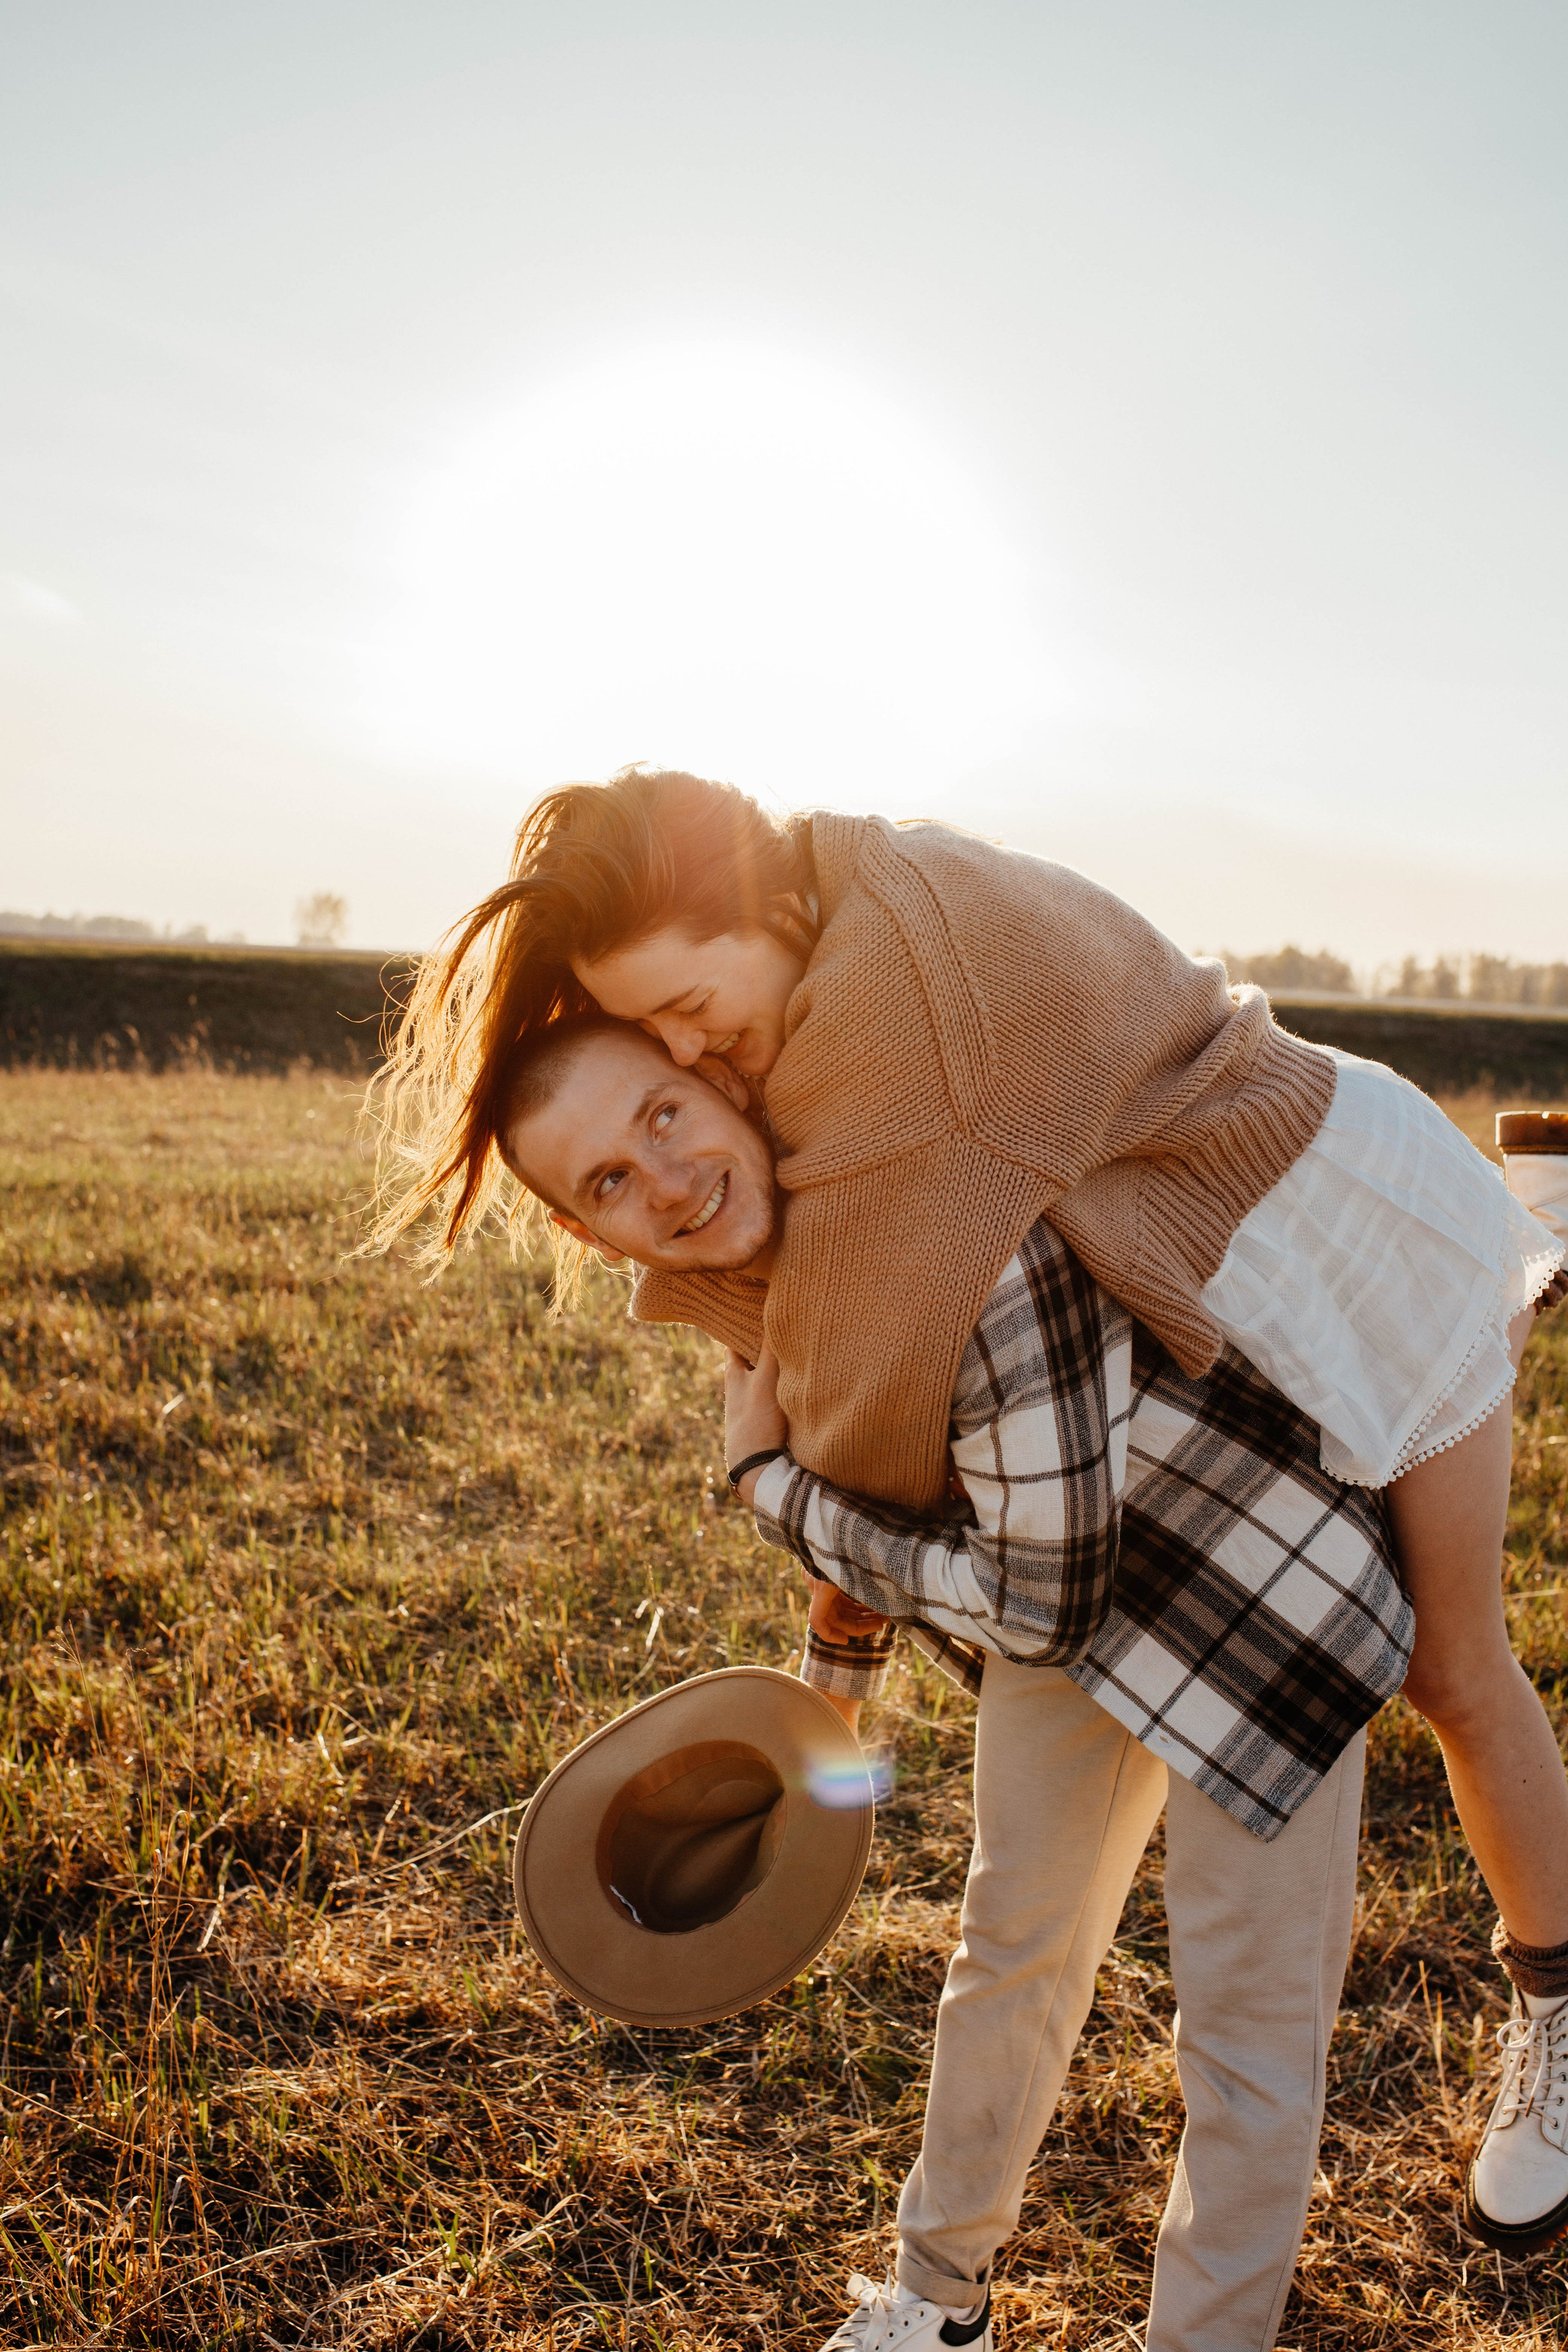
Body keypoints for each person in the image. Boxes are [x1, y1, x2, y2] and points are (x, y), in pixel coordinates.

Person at [363, 764, 1568, 2255]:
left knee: (1453, 1669)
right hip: (1209, 1294)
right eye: (652, 1033)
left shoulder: (905, 1026)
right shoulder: (819, 964)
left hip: (1341, 1244)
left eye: (685, 1008)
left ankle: (1558, 2011)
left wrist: (787, 1521)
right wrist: (831, 1665)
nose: (684, 1050)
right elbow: (871, 1377)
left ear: (773, 907)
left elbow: (868, 1388)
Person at [461, 1013, 1415, 2349]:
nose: (661, 1183)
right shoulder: (751, 1284)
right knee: (1010, 1945)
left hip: (1254, 1593)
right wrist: (826, 1682)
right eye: (606, 1183)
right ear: (583, 1232)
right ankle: (935, 2305)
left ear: (718, 1078)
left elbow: (884, 1520)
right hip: (1059, 1615)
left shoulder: (911, 1195)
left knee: (1243, 2020)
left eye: (659, 1117)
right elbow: (877, 1473)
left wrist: (768, 1491)